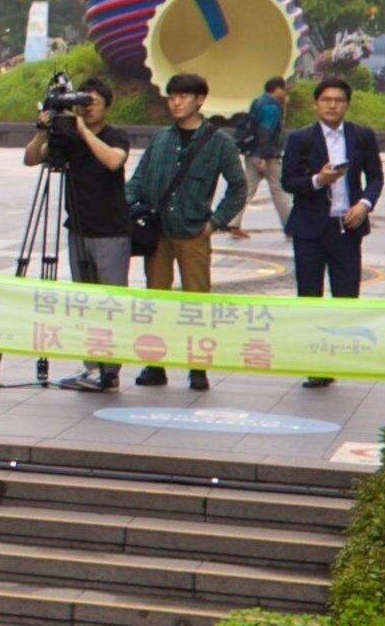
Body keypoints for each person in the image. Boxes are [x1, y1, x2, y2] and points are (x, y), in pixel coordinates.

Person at [124, 70, 252, 390]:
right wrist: (126, 206)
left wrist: (214, 223)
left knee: (197, 304)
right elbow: (138, 179)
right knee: (157, 301)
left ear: (200, 100)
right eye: (171, 97)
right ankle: (155, 365)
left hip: (193, 233)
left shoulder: (219, 142)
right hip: (158, 234)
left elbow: (238, 187)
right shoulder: (161, 138)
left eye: (183, 97)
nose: (176, 102)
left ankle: (198, 368)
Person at [21, 74, 136, 392]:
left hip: (111, 231)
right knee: (85, 302)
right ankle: (91, 367)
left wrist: (82, 130)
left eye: (92, 103)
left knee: (110, 303)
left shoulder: (117, 135)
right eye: (80, 102)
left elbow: (113, 162)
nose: (85, 109)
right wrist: (42, 131)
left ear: (106, 107)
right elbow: (31, 158)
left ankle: (110, 370)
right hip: (78, 230)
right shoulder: (67, 138)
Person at [278, 76, 385, 390]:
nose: (332, 105)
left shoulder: (362, 136)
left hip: (347, 228)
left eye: (338, 100)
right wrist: (317, 180)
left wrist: (364, 204)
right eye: (326, 100)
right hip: (310, 229)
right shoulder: (301, 138)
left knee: (346, 295)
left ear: (347, 105)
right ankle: (316, 365)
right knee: (309, 296)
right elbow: (288, 181)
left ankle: (338, 355)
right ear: (316, 104)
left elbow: (376, 176)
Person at [242, 76, 290, 230]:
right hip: (266, 156)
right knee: (279, 189)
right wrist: (263, 155)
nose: (285, 93)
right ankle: (290, 224)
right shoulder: (272, 107)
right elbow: (265, 131)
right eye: (284, 90)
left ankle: (231, 223)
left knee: (247, 190)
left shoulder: (258, 101)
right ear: (277, 89)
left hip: (252, 152)